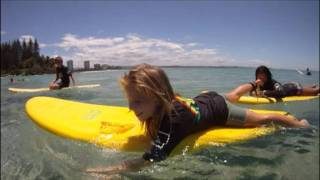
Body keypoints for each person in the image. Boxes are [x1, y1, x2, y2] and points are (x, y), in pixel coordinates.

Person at [85, 63, 309, 176]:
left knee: (262, 118)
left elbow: (150, 160)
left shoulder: (171, 121)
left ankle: (299, 124)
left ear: (158, 97)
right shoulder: (159, 109)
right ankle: (252, 84)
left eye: (136, 102)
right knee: (232, 95)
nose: (130, 107)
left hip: (218, 109)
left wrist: (111, 170)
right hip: (202, 99)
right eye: (130, 101)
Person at [227, 65, 319, 103]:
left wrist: (263, 93)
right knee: (312, 88)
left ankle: (314, 88)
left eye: (263, 76)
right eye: (259, 76)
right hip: (288, 85)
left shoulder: (273, 83)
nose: (261, 78)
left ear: (268, 76)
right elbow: (252, 93)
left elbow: (282, 93)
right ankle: (312, 85)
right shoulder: (257, 84)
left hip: (294, 88)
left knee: (316, 91)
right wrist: (256, 88)